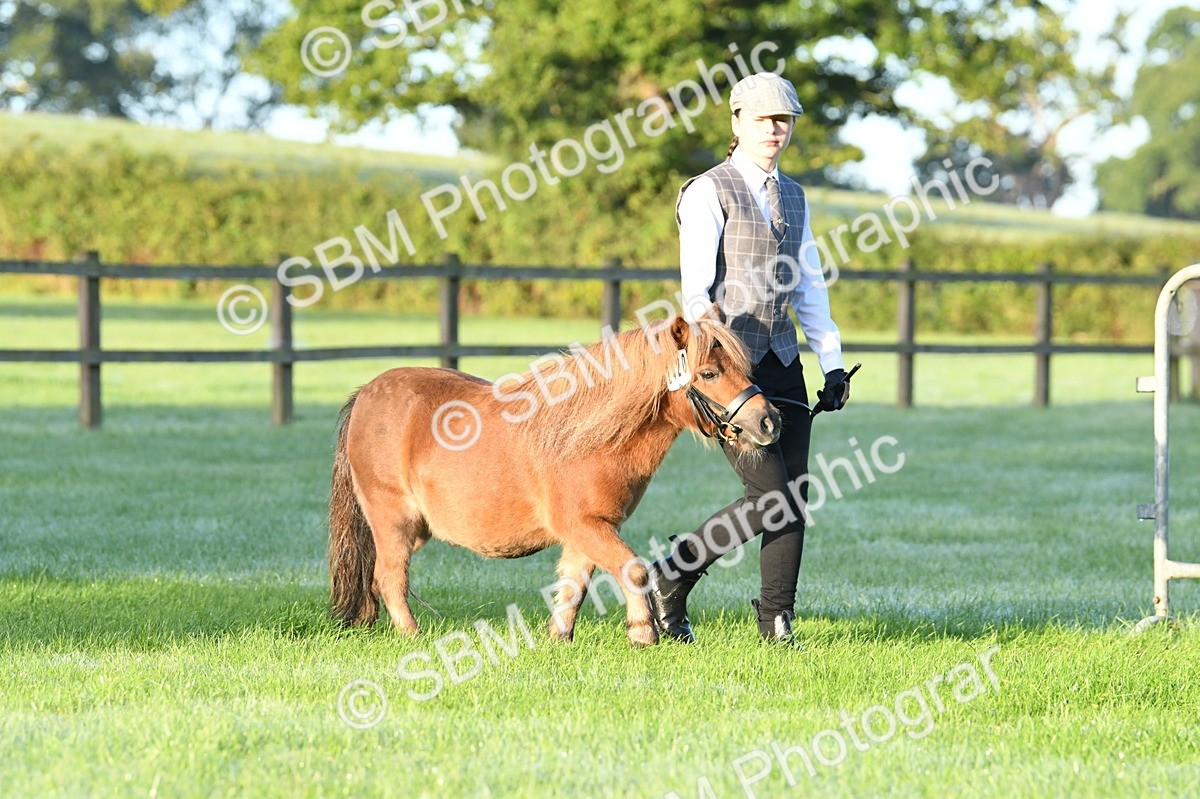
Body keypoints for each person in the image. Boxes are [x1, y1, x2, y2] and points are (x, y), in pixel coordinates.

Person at [647, 72, 853, 644]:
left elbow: (808, 284)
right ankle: (673, 573)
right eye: (764, 119)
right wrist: (710, 363)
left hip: (783, 360)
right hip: (728, 370)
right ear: (737, 122)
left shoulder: (794, 194)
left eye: (784, 120)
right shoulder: (708, 191)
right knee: (771, 497)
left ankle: (777, 622)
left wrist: (831, 361)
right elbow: (696, 292)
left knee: (795, 496)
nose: (776, 129)